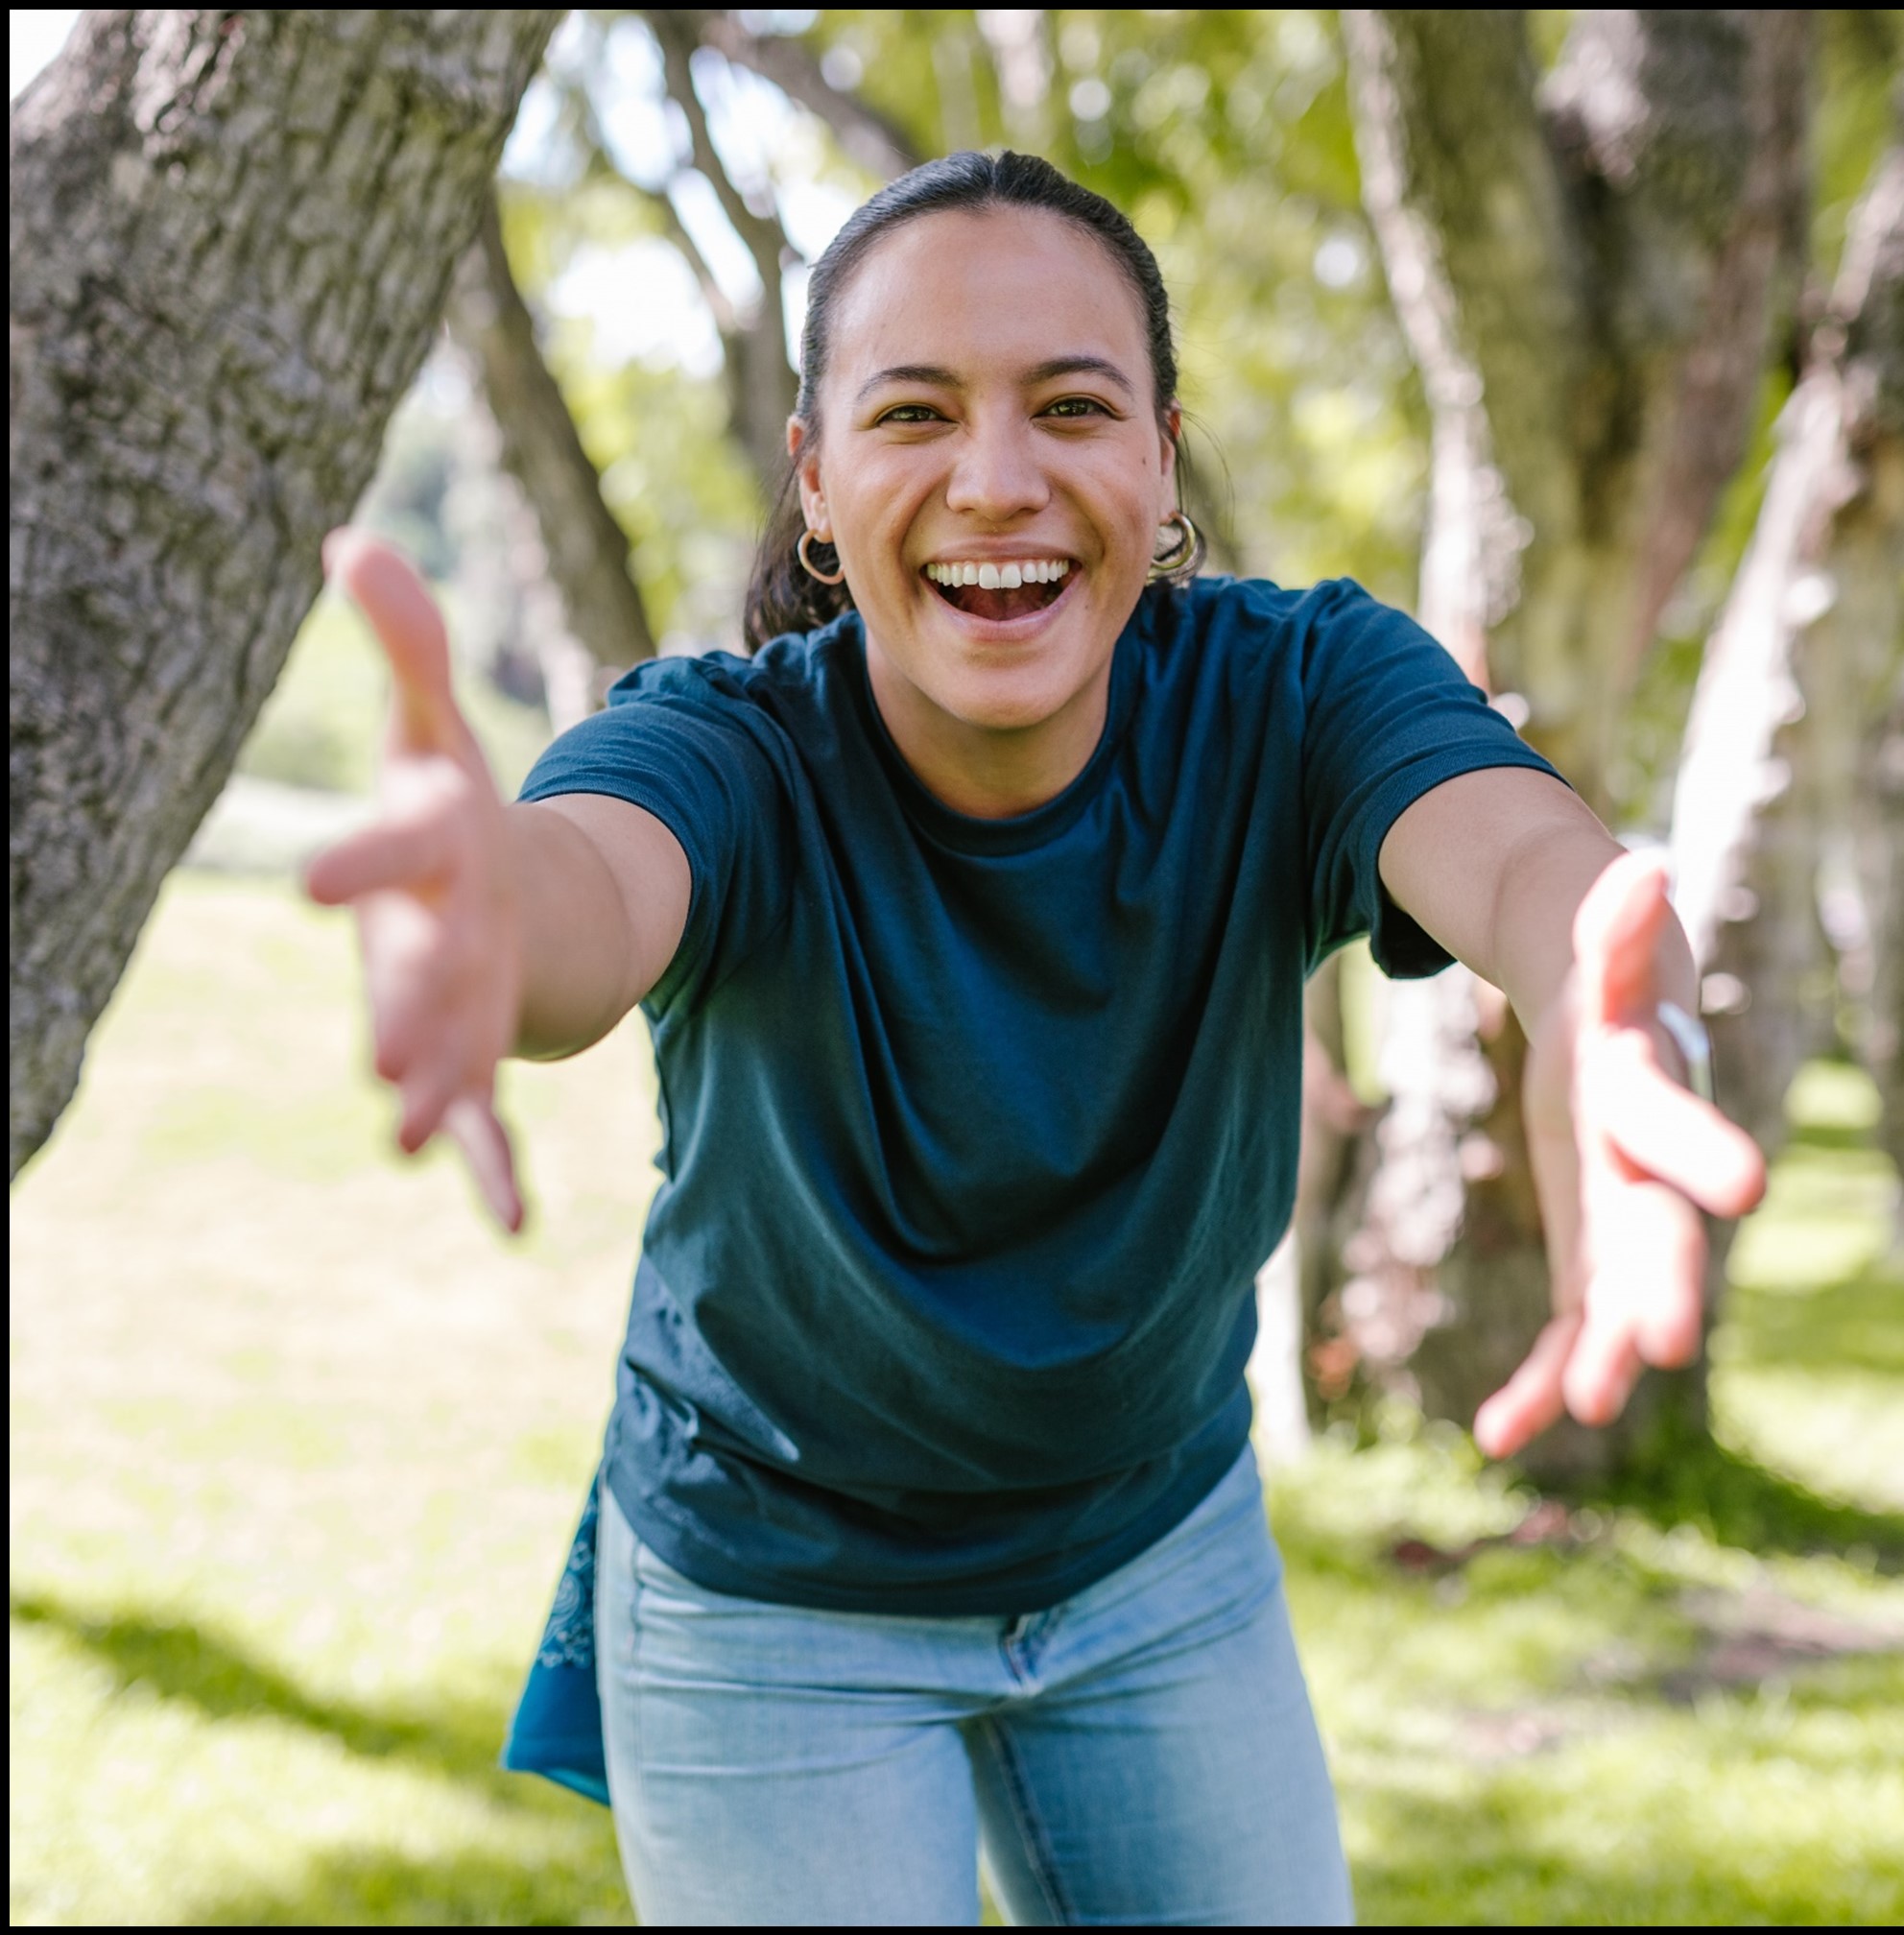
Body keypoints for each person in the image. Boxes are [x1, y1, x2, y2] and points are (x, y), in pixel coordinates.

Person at [306, 152, 1766, 1926]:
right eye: (913, 413)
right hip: (777, 1590)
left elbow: (1536, 870)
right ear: (817, 479)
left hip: (1155, 1547)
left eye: (1071, 407)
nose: (996, 479)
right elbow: (588, 899)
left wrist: (1619, 1008)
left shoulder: (1299, 693)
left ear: (1159, 458)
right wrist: (486, 905)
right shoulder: (731, 752)